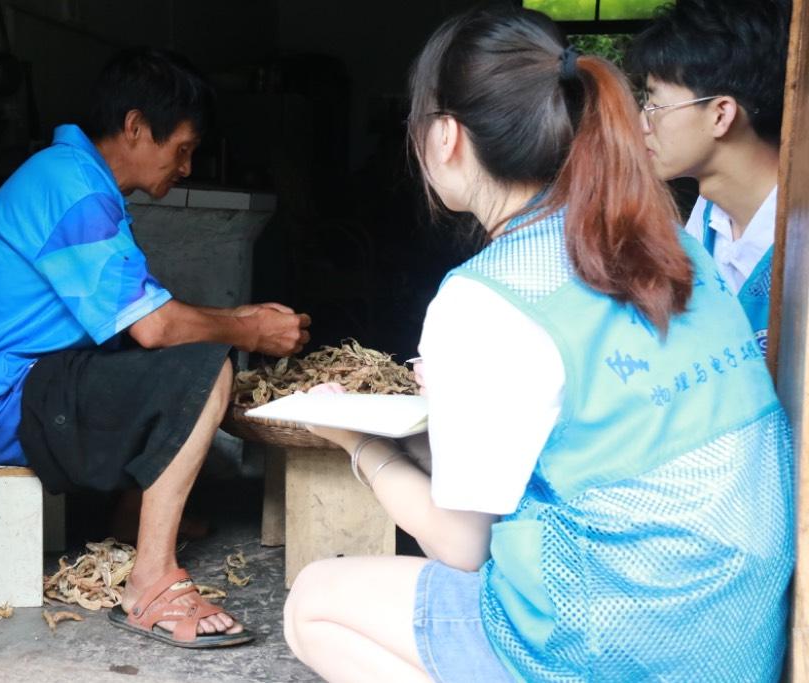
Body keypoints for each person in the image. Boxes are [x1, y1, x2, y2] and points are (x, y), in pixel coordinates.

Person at [283, 7, 793, 681]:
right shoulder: (675, 246)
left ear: (443, 139)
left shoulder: (484, 296)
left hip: (621, 644)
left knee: (314, 602)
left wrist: (357, 443)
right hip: (736, 641)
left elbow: (463, 546)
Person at [0, 47, 311, 648]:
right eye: (182, 148)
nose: (186, 167)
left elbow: (139, 317)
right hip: (5, 407)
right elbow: (157, 328)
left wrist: (238, 317)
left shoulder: (74, 179)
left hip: (30, 384)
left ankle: (130, 519)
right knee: (204, 368)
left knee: (172, 354)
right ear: (134, 126)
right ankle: (149, 582)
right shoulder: (72, 189)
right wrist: (248, 330)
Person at [627, 0, 791, 354]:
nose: (642, 123)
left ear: (720, 115)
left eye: (655, 105)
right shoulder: (706, 217)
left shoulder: (798, 240)